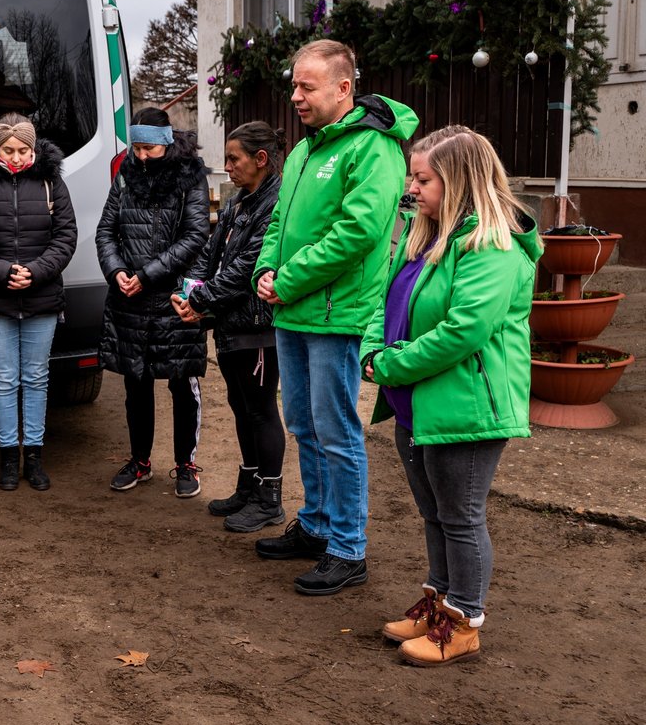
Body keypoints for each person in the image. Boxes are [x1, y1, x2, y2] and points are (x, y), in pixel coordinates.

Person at [361, 126, 540, 665]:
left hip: (466, 406)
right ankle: (439, 602)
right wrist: (374, 349)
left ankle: (463, 621)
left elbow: (464, 331)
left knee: (460, 515)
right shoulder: (424, 234)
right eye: (412, 176)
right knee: (434, 512)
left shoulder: (493, 245)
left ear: (459, 181)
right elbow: (384, 300)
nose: (411, 188)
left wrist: (389, 365)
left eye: (424, 178)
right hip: (417, 401)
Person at [252, 39, 418, 595]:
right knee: (303, 424)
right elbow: (278, 224)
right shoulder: (303, 151)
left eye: (307, 86)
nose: (295, 95)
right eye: (294, 85)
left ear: (343, 88)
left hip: (336, 314)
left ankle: (348, 549)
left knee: (336, 431)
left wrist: (289, 279)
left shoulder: (372, 148)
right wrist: (263, 273)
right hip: (293, 313)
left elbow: (358, 232)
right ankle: (318, 527)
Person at [172, 121, 287, 532]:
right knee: (241, 408)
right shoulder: (239, 201)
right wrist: (190, 293)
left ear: (260, 159)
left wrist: (200, 302)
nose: (228, 166)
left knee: (260, 410)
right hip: (229, 323)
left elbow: (245, 269)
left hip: (258, 327)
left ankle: (270, 498)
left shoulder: (276, 204)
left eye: (234, 158)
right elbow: (209, 250)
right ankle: (250, 485)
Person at [0, 114, 77, 491]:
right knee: (4, 380)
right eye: (8, 150)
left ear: (34, 148)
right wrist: (1, 270)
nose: (16, 157)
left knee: (36, 378)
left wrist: (37, 271)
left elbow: (66, 235)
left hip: (41, 296)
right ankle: (9, 456)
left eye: (23, 150)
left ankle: (35, 457)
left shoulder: (51, 182)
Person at [96, 107, 210, 497]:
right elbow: (106, 231)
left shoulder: (190, 177)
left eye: (148, 148)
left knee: (182, 384)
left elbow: (195, 236)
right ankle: (140, 460)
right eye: (136, 147)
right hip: (129, 300)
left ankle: (185, 464)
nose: (141, 155)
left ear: (165, 143)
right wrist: (117, 273)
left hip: (174, 299)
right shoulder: (126, 175)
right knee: (136, 383)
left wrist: (146, 276)